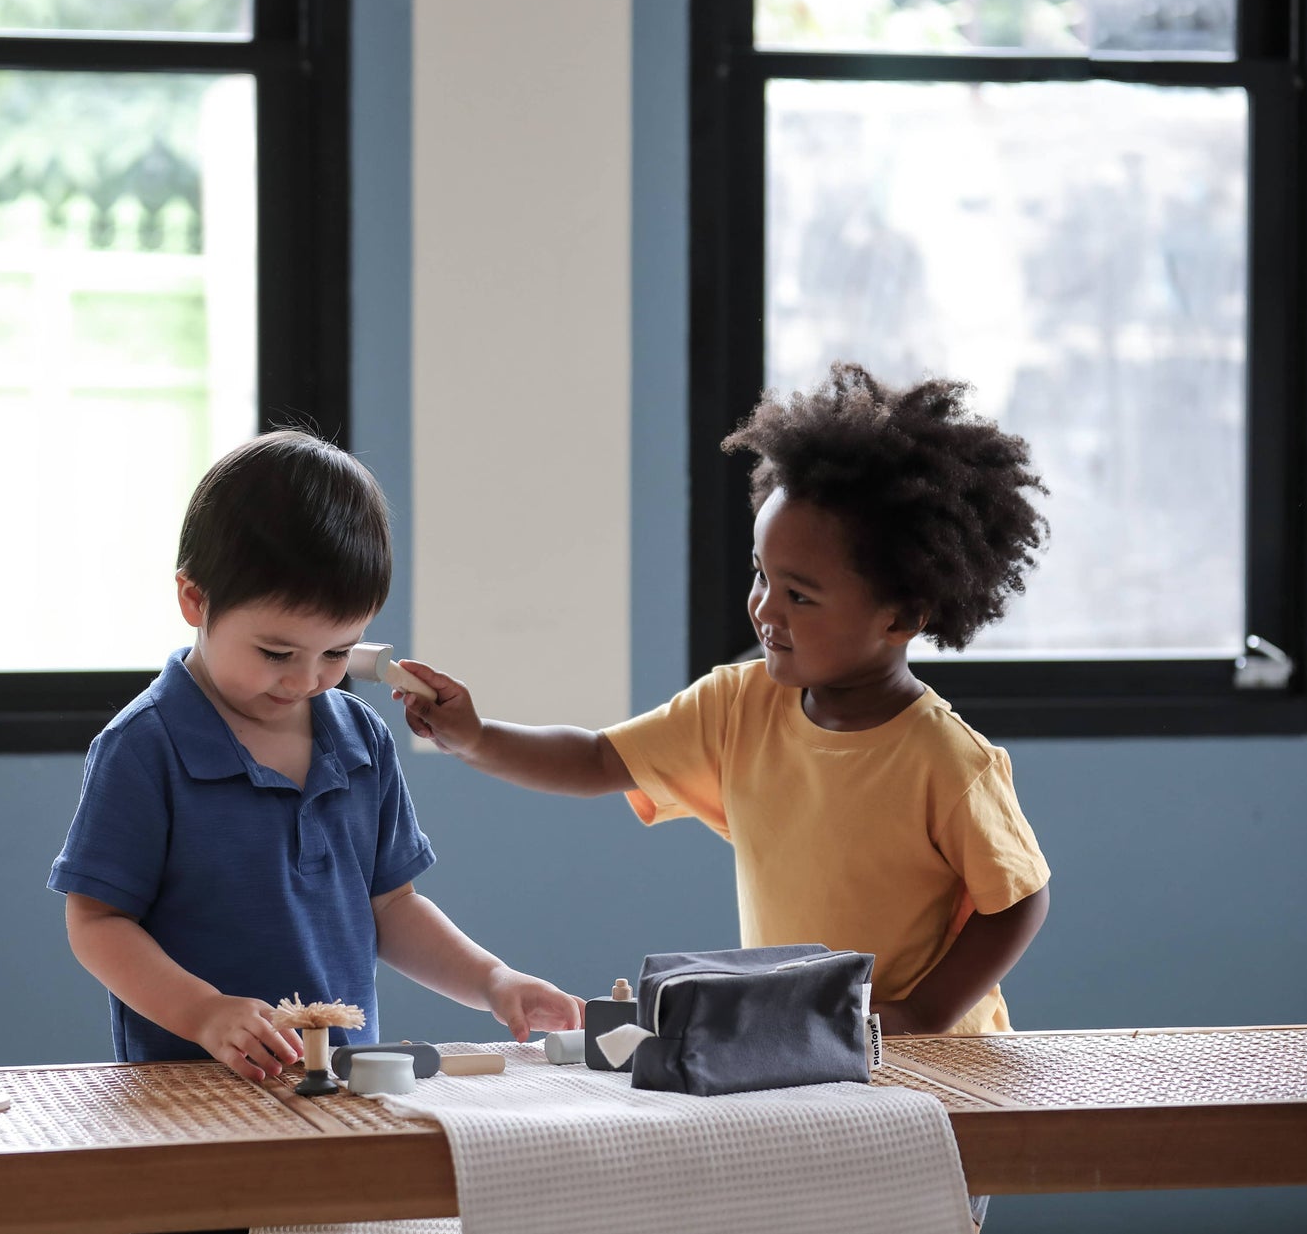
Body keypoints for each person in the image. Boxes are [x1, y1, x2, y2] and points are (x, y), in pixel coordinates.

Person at [398, 363, 1053, 1041]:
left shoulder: (945, 759)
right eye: (759, 574)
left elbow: (1020, 898)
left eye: (799, 595)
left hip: (937, 1059)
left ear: (902, 616)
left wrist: (922, 1013)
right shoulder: (737, 705)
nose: (765, 609)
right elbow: (596, 758)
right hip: (804, 1036)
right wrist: (475, 736)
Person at [49, 429, 583, 1083]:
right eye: (277, 653)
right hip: (191, 1093)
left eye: (336, 653)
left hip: (340, 1088)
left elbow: (392, 907)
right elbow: (97, 921)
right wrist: (206, 1012)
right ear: (194, 599)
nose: (305, 679)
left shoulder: (361, 741)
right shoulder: (144, 748)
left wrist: (491, 979)